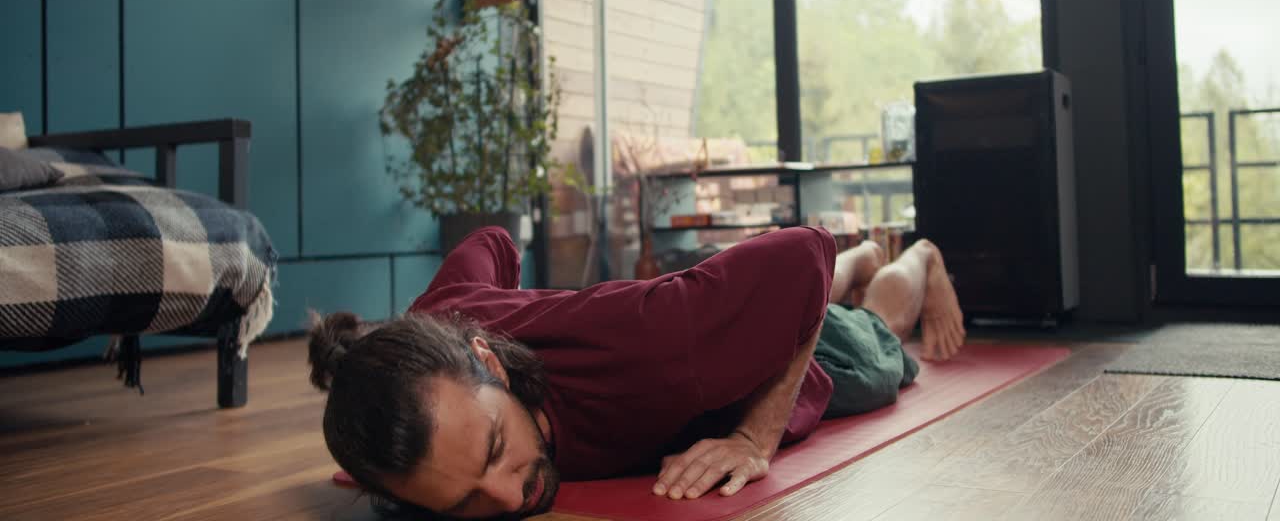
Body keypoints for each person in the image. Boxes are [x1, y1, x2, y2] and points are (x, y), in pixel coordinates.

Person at [308, 225, 965, 520]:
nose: (509, 500)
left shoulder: (658, 353)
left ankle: (909, 257)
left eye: (497, 451)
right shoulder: (433, 325)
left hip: (780, 357)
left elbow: (803, 252)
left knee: (879, 347)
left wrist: (753, 439)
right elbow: (493, 244)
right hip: (701, 306)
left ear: (488, 360)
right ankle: (861, 255)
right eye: (464, 504)